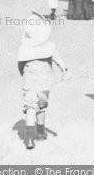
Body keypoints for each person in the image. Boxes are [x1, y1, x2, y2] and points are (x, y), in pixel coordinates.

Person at [18, 11, 70, 149]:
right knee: (41, 107)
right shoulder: (50, 46)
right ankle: (40, 133)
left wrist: (23, 74)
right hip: (44, 81)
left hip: (29, 81)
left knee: (30, 107)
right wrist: (65, 70)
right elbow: (58, 60)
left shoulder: (24, 47)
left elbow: (20, 65)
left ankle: (29, 138)